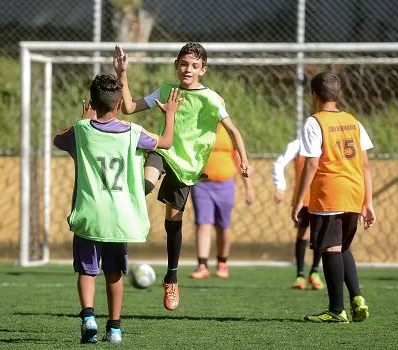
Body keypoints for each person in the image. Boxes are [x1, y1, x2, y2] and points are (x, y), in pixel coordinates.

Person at [113, 43, 251, 311]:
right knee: (142, 187)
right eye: (184, 64)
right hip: (162, 150)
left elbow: (234, 131)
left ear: (203, 70)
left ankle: (171, 278)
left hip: (187, 166)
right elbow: (129, 108)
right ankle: (118, 236)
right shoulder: (166, 91)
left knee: (173, 223)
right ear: (176, 65)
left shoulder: (211, 99)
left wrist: (244, 159)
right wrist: (123, 74)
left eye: (194, 66)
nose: (188, 69)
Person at [53, 73, 182, 344]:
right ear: (119, 105)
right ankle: (113, 328)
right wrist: (170, 114)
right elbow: (166, 143)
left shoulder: (80, 129)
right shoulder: (134, 133)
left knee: (87, 270)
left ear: (92, 103)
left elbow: (57, 140)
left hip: (89, 214)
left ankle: (88, 317)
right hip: (120, 217)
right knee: (114, 273)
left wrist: (85, 120)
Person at [292, 72, 376, 323]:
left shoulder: (314, 122)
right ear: (338, 95)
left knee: (330, 249)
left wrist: (299, 200)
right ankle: (357, 297)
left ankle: (337, 310)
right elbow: (367, 165)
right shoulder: (353, 121)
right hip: (354, 191)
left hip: (330, 193)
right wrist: (368, 202)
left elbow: (311, 164)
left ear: (314, 95)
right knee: (342, 247)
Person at [189, 125, 254, 280]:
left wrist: (248, 187)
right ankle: (202, 265)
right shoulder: (197, 128)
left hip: (225, 184)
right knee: (203, 223)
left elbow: (238, 157)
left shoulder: (228, 130)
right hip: (202, 184)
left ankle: (222, 262)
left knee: (223, 225)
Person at [273, 136, 324, 290]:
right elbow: (279, 163)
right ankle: (300, 275)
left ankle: (314, 272)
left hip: (323, 197)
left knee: (320, 235)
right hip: (303, 199)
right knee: (302, 234)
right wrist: (280, 186)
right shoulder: (298, 144)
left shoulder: (327, 143)